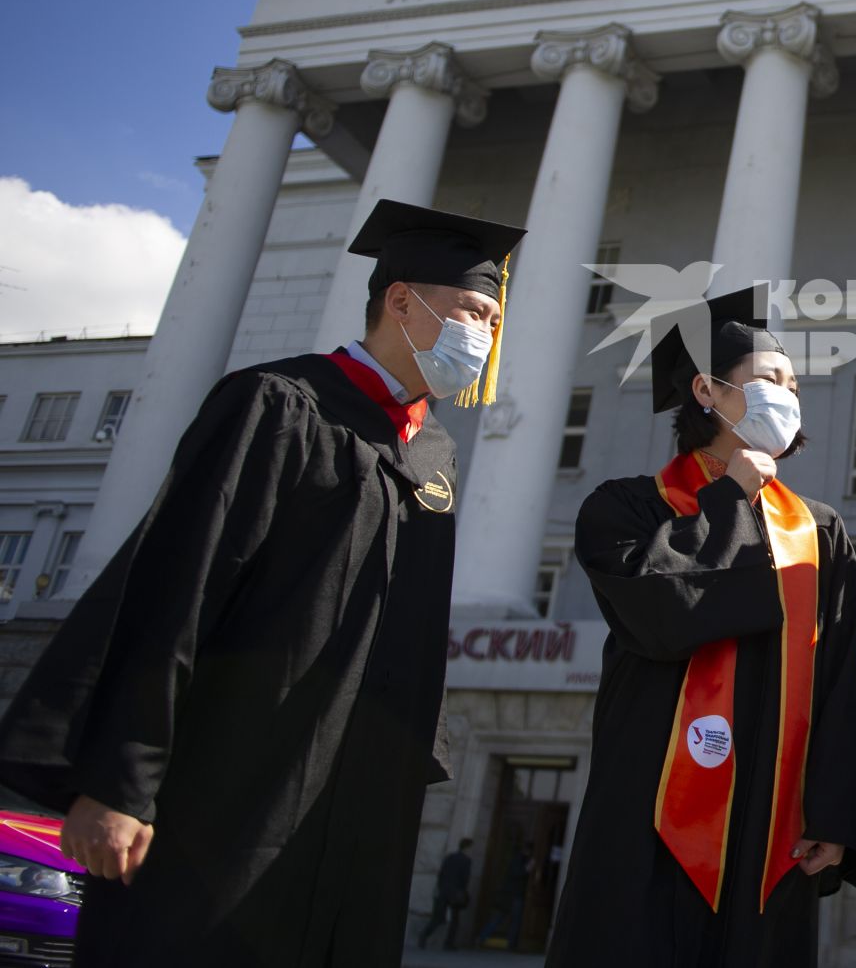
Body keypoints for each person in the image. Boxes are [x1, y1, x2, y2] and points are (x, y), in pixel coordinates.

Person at [0, 200, 524, 968]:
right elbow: (175, 587)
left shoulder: (431, 456)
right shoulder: (280, 404)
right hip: (228, 779)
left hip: (351, 798)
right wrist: (119, 780)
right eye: (470, 310)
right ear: (401, 300)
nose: (483, 334)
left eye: (492, 317)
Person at [545, 287, 856, 968]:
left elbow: (838, 676)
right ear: (708, 391)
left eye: (794, 384)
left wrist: (834, 814)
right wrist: (730, 500)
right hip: (652, 805)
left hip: (771, 812)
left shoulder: (819, 529)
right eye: (770, 379)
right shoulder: (624, 509)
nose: (789, 394)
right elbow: (662, 616)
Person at [418, 838, 474, 950]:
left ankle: (424, 936)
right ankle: (448, 943)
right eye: (471, 848)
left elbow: (441, 873)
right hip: (456, 892)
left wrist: (439, 887)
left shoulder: (449, 857)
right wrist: (463, 892)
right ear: (467, 848)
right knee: (455, 920)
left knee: (438, 918)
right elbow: (465, 879)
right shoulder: (467, 861)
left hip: (444, 890)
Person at [476, 842, 532, 950]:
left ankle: (507, 942)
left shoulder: (519, 859)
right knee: (505, 920)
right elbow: (516, 873)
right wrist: (527, 869)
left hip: (511, 895)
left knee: (504, 919)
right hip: (512, 896)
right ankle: (506, 943)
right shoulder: (518, 860)